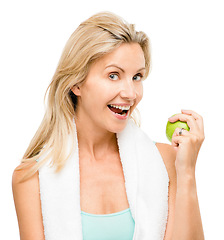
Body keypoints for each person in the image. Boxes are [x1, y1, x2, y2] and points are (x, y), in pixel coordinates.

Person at [12, 11, 205, 240]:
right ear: (77, 84)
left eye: (137, 77)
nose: (131, 93)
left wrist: (187, 172)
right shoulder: (31, 177)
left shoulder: (165, 161)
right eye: (113, 75)